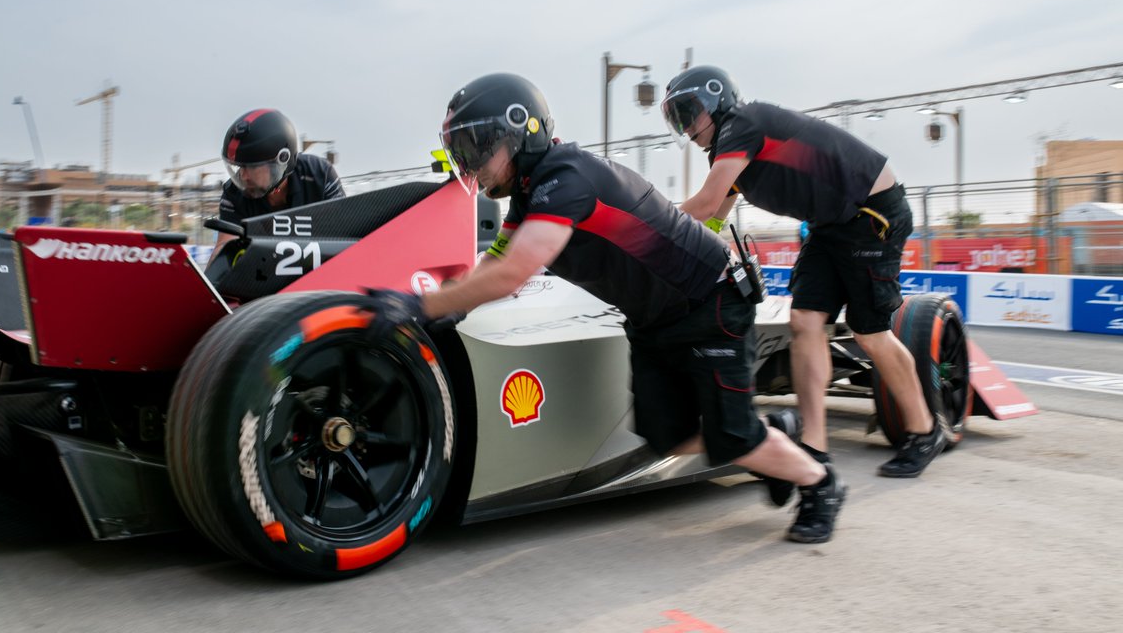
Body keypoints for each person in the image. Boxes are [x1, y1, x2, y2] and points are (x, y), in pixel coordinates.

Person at [368, 73, 846, 543]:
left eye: (478, 147)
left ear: (521, 130)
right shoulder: (530, 196)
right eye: (463, 150)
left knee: (733, 436)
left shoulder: (566, 179)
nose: (472, 164)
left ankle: (821, 485)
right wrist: (449, 306)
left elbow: (513, 274)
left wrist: (423, 304)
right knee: (667, 437)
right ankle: (772, 437)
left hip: (711, 303)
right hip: (655, 317)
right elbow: (491, 264)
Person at [660, 65, 944, 478]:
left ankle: (924, 429)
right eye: (678, 118)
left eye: (689, 112)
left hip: (872, 214)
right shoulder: (730, 148)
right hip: (830, 224)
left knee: (870, 332)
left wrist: (645, 221)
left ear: (717, 99)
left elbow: (703, 206)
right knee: (805, 321)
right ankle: (815, 445)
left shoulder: (743, 123)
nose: (686, 126)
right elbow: (713, 221)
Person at [208, 108, 344, 264]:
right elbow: (224, 248)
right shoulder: (233, 193)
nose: (243, 176)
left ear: (281, 161)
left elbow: (344, 238)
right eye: (239, 167)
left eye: (251, 167)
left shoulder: (320, 175)